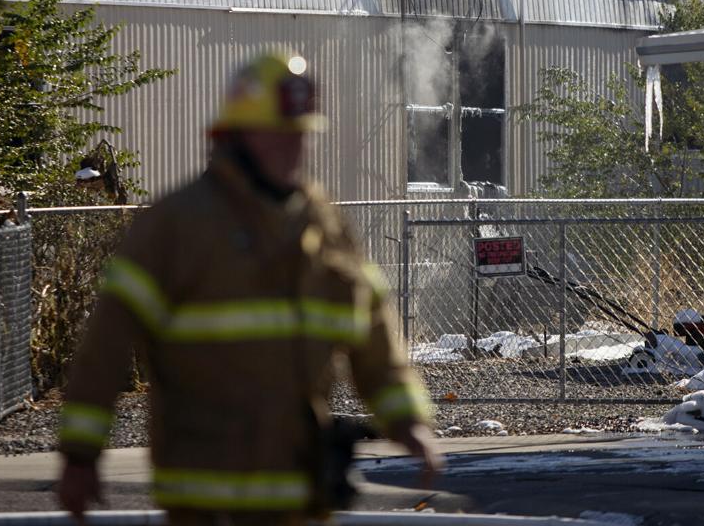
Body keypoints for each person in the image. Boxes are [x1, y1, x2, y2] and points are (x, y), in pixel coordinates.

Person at [56, 52, 440, 523]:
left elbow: (375, 337)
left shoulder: (324, 226)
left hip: (301, 500)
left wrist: (409, 423)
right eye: (280, 135)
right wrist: (79, 456)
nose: (294, 148)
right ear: (236, 136)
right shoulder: (175, 226)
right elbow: (105, 348)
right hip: (205, 502)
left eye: (300, 135)